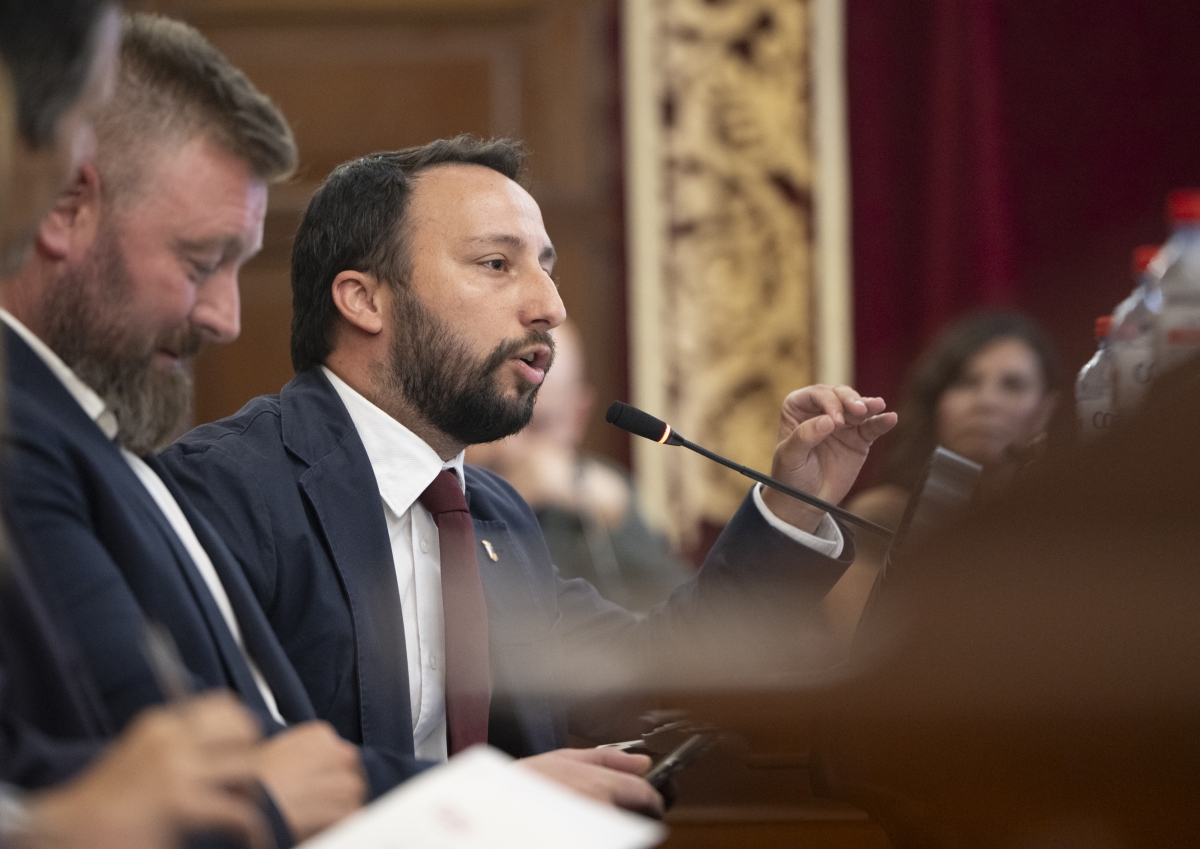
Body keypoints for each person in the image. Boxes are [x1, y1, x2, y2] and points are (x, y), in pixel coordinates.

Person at [159, 136, 897, 811]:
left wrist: (793, 506)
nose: (550, 305)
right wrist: (485, 798)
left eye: (545, 267)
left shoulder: (494, 516)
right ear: (364, 298)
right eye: (496, 263)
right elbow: (210, 780)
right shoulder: (224, 493)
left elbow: (651, 683)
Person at [0, 14, 367, 845]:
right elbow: (146, 773)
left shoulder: (104, 428)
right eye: (202, 263)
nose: (228, 318)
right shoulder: (23, 435)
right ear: (65, 204)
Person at [822, 311, 1062, 645]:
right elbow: (863, 649)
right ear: (936, 402)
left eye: (1013, 385)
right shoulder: (882, 514)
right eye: (966, 382)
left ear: (1046, 408)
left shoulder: (1064, 518)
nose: (986, 401)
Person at [467, 319, 692, 611]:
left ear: (578, 416)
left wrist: (617, 519)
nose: (511, 451)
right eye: (496, 423)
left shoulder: (599, 492)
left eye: (539, 426)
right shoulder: (438, 488)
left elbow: (685, 622)